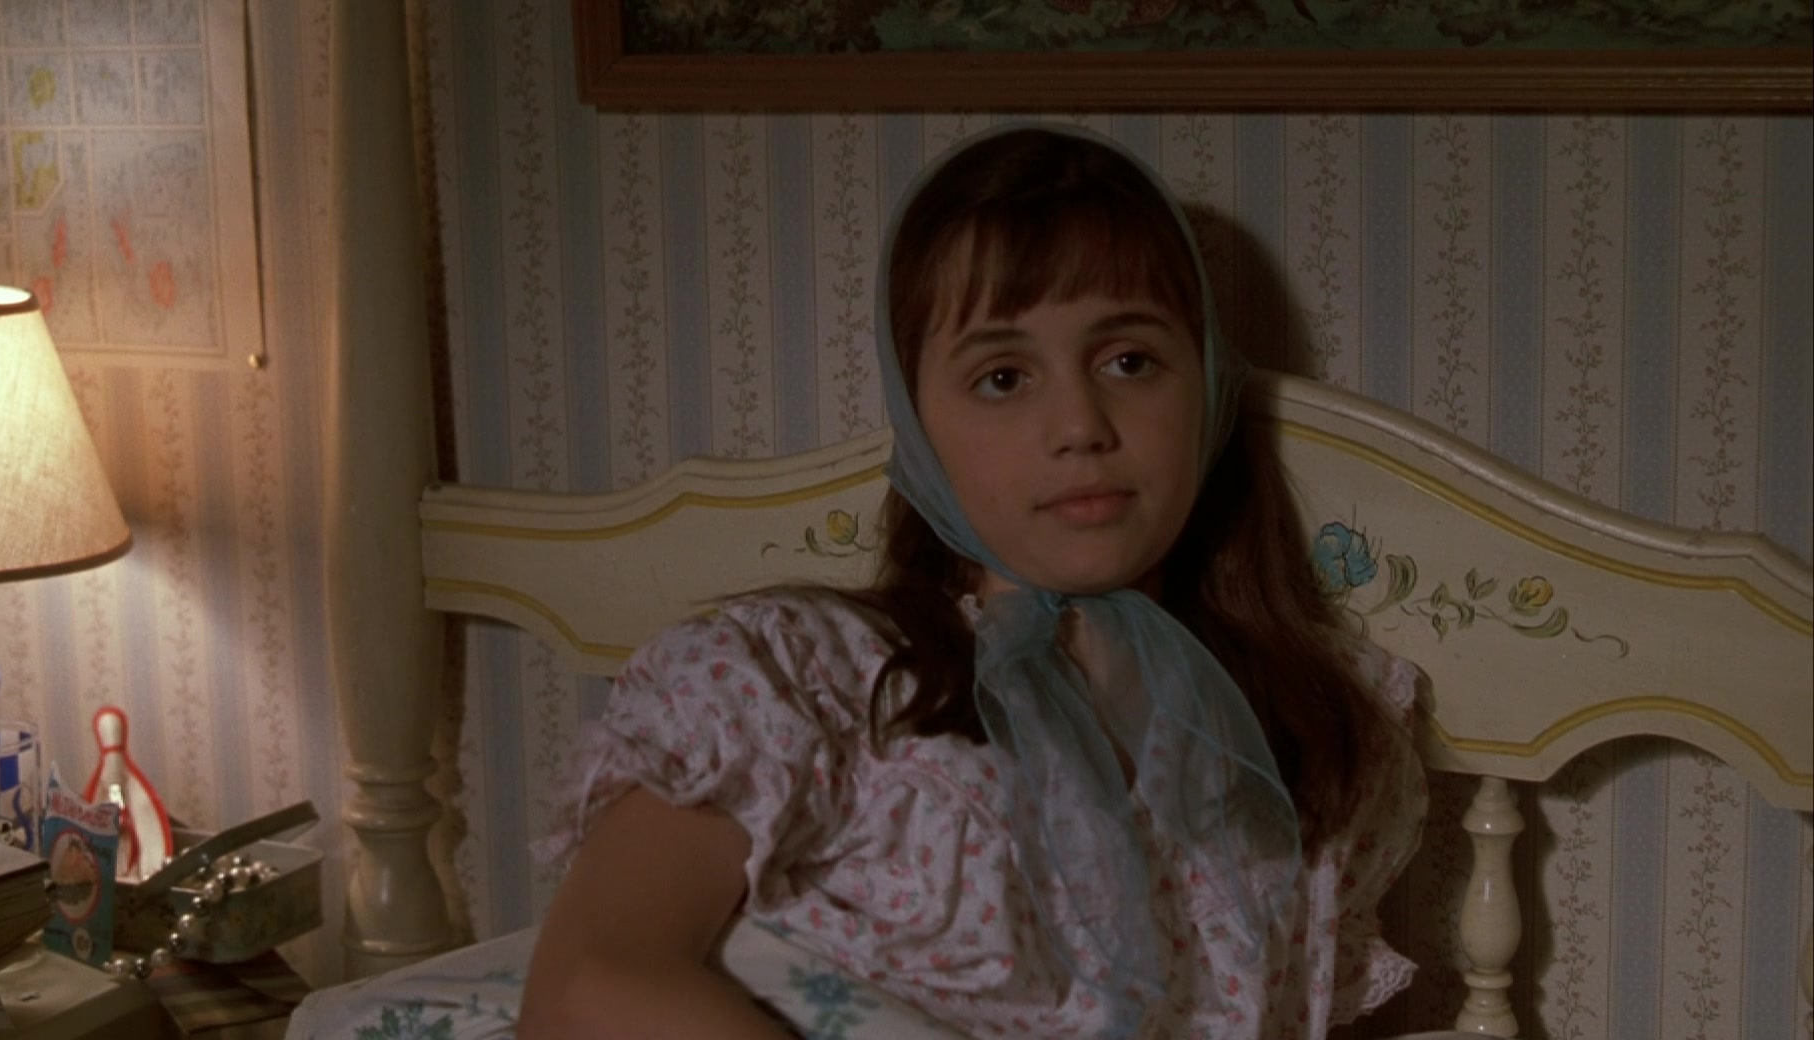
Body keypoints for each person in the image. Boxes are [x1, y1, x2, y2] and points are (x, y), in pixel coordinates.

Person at [517, 124, 1426, 1039]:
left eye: (1130, 361)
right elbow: (592, 987)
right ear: (919, 426)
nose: (1080, 425)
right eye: (1002, 377)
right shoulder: (805, 684)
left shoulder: (1308, 736)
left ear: (1208, 388)